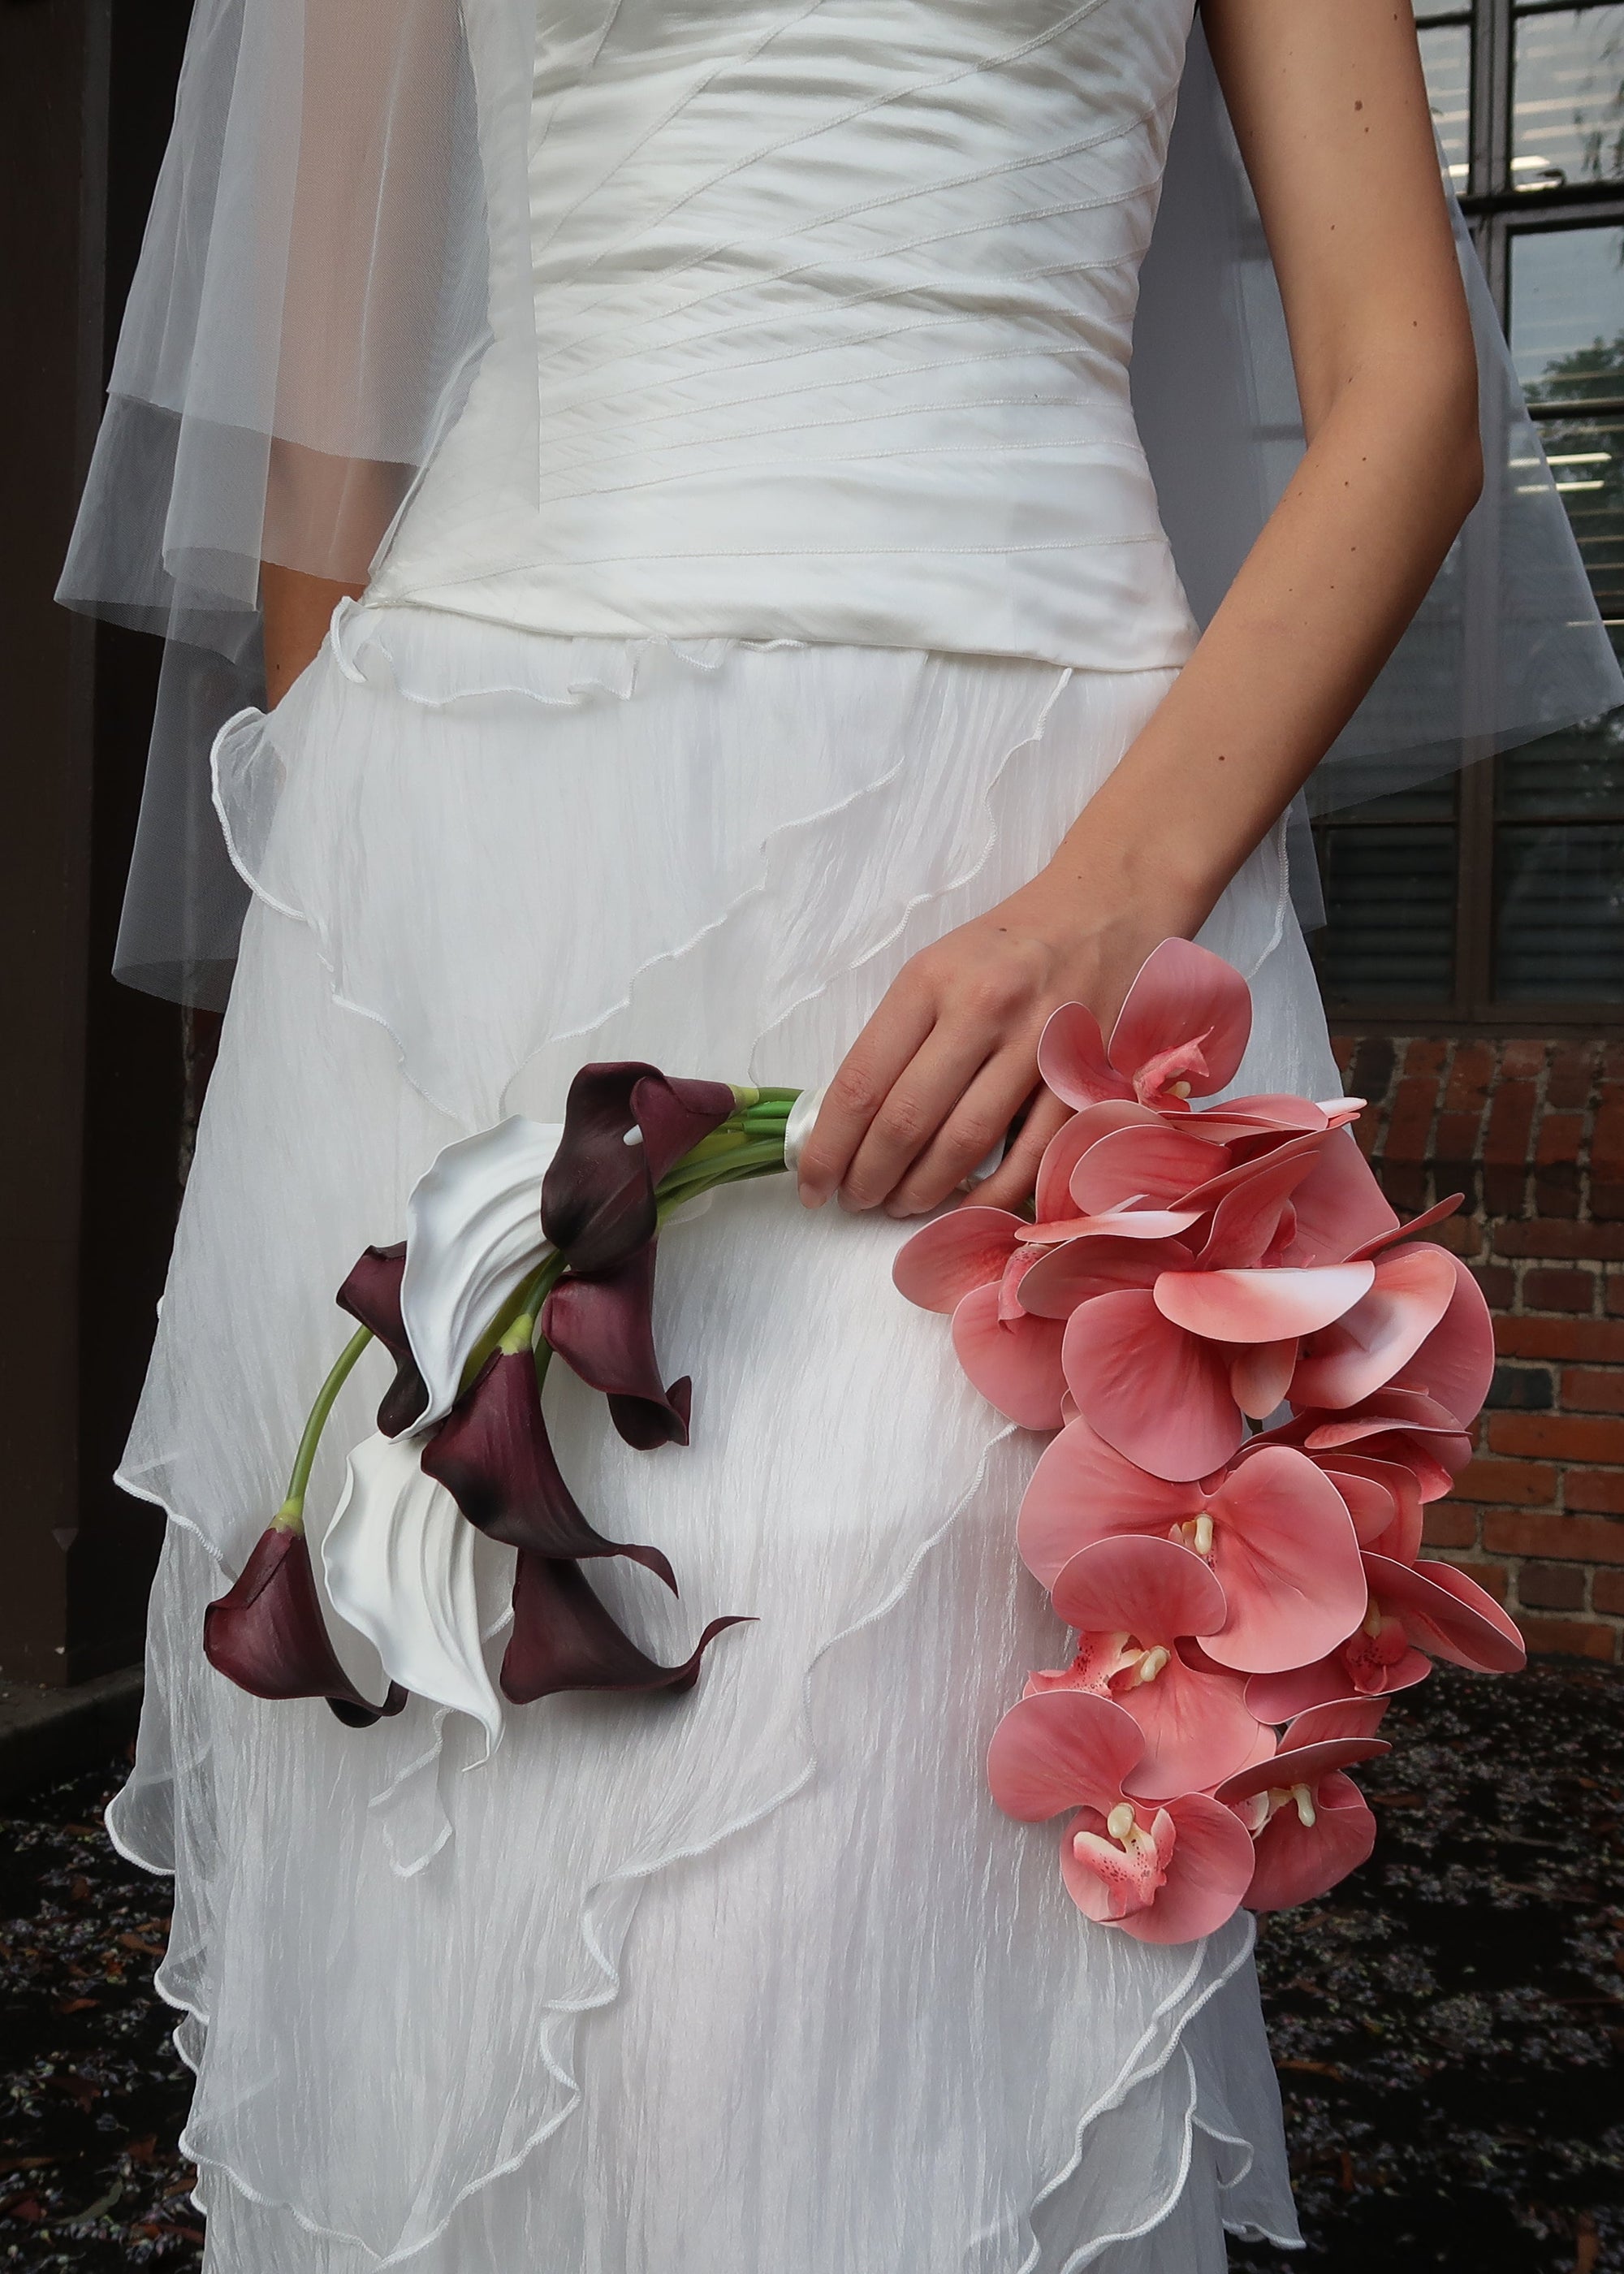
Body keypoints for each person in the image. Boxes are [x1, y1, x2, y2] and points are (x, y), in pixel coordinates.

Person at [52, 0, 1617, 2268]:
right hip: (487, 833)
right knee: (462, 1843)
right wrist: (355, 920)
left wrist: (1108, 903)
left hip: (1022, 851)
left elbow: (1408, 389)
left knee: (861, 1888)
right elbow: (327, 436)